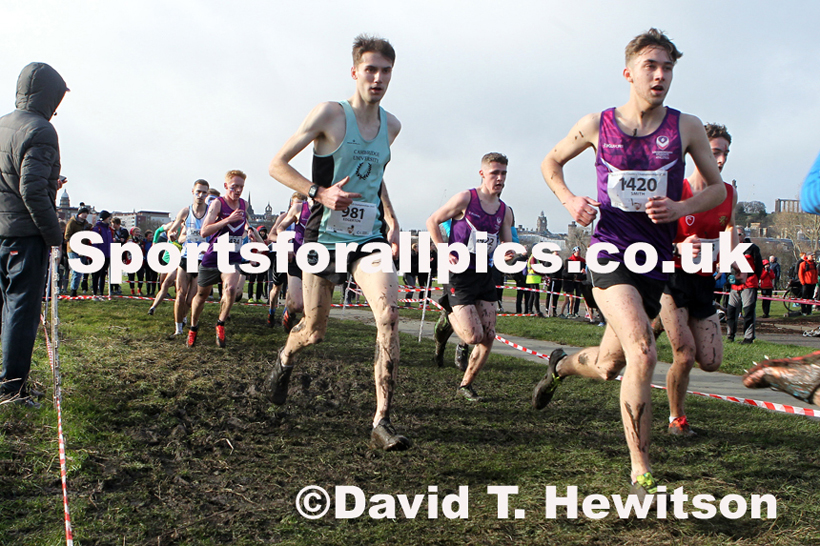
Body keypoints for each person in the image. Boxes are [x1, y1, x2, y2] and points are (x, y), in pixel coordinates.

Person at [531, 29, 726, 499]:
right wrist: (568, 198)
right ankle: (641, 471)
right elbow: (550, 162)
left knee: (609, 365)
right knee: (643, 351)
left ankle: (559, 366)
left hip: (654, 261)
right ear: (629, 72)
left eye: (668, 68)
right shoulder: (599, 124)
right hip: (609, 251)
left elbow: (717, 190)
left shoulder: (687, 127)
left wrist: (680, 210)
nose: (660, 76)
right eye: (651, 66)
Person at [265, 35, 409, 451]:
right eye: (371, 69)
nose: (378, 78)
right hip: (323, 235)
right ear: (355, 72)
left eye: (385, 71)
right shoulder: (330, 114)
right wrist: (319, 193)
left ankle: (381, 421)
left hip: (368, 237)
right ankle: (284, 359)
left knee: (389, 316)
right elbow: (276, 164)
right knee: (313, 331)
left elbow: (374, 177)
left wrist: (391, 214)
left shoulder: (392, 126)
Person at [657, 123, 737, 436]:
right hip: (672, 280)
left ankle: (653, 323)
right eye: (715, 152)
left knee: (712, 361)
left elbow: (730, 229)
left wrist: (734, 259)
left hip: (704, 283)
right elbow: (648, 240)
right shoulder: (675, 190)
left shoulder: (728, 192)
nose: (720, 160)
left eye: (725, 153)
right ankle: (677, 419)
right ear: (697, 152)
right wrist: (678, 245)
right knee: (685, 355)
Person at [0, 62, 68, 408]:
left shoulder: (2, 125)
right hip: (25, 237)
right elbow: (31, 191)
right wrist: (55, 236)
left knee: (6, 308)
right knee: (22, 313)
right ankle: (11, 388)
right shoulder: (41, 131)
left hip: (1, 231)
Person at [427, 152, 514, 401]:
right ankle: (448, 314)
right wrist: (443, 250)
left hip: (484, 274)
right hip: (459, 273)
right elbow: (432, 220)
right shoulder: (466, 198)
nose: (500, 178)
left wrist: (510, 255)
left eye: (504, 173)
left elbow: (506, 245)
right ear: (482, 173)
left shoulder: (504, 210)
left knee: (488, 336)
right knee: (472, 336)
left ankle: (465, 385)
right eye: (495, 173)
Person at [187, 170, 250, 348]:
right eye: (234, 186)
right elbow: (204, 231)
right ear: (225, 186)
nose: (237, 190)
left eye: (241, 187)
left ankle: (220, 324)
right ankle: (193, 327)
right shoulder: (217, 204)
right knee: (201, 295)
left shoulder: (244, 205)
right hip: (214, 255)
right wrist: (227, 220)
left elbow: (242, 225)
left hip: (232, 256)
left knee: (230, 289)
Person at [164, 179, 210, 336]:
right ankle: (178, 328)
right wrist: (172, 234)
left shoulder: (211, 212)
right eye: (198, 191)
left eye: (204, 192)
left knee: (191, 298)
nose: (201, 195)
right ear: (193, 192)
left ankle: (184, 317)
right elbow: (172, 230)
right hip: (186, 255)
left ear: (207, 194)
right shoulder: (185, 211)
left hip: (202, 258)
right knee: (180, 294)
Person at [273, 192, 310, 331]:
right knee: (297, 305)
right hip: (296, 258)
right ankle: (289, 311)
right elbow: (280, 228)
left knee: (310, 304)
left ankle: (303, 330)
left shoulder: (330, 211)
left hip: (317, 260)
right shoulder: (299, 208)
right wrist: (286, 245)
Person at [726, 226, 762, 342]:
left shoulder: (752, 248)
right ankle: (730, 335)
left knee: (748, 311)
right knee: (731, 310)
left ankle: (748, 337)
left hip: (749, 283)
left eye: (740, 234)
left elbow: (758, 266)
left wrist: (754, 279)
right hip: (735, 284)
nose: (737, 237)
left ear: (744, 235)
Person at [65, 207, 91, 297]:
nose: (85, 215)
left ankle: (74, 288)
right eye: (83, 213)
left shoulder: (86, 224)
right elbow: (67, 236)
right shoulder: (72, 222)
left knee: (80, 271)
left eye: (86, 213)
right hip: (72, 249)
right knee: (77, 270)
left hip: (82, 249)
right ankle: (73, 290)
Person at [91, 211, 113, 299]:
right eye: (108, 218)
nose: (110, 219)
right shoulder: (97, 228)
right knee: (96, 275)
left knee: (103, 274)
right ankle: (95, 293)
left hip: (107, 255)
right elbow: (94, 242)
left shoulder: (108, 229)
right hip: (99, 255)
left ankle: (101, 293)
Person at [110, 217, 128, 295]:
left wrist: (116, 240)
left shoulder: (123, 231)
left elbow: (123, 240)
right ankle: (111, 288)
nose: (112, 225)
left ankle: (116, 287)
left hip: (119, 251)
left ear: (118, 224)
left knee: (116, 270)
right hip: (112, 251)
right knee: (111, 270)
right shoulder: (111, 231)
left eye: (113, 224)